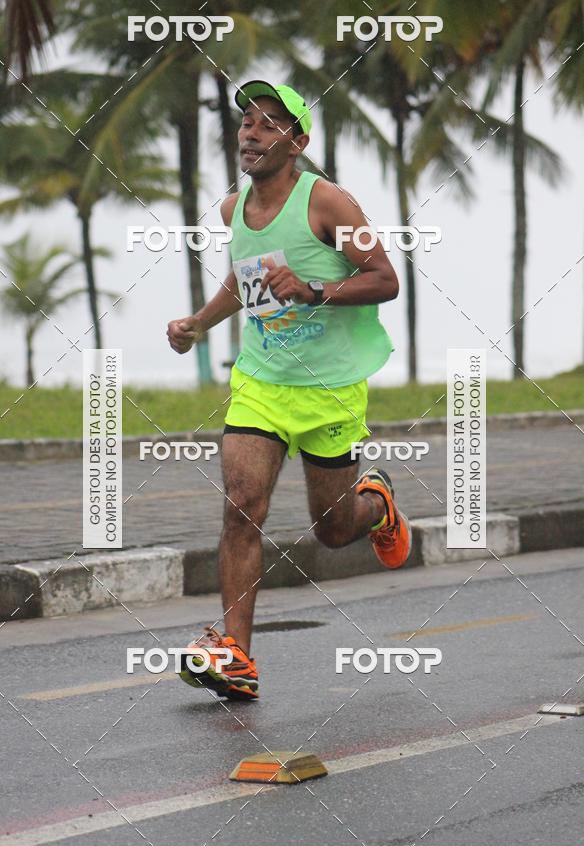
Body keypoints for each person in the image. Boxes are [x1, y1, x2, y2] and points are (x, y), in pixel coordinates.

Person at [167, 80, 411, 701]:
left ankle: (376, 503)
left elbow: (385, 279)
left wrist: (313, 289)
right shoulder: (232, 210)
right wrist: (198, 322)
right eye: (246, 122)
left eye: (269, 124)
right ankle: (236, 655)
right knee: (241, 505)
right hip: (260, 384)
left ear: (297, 142)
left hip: (329, 389)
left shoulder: (330, 204)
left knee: (331, 530)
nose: (251, 132)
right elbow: (243, 281)